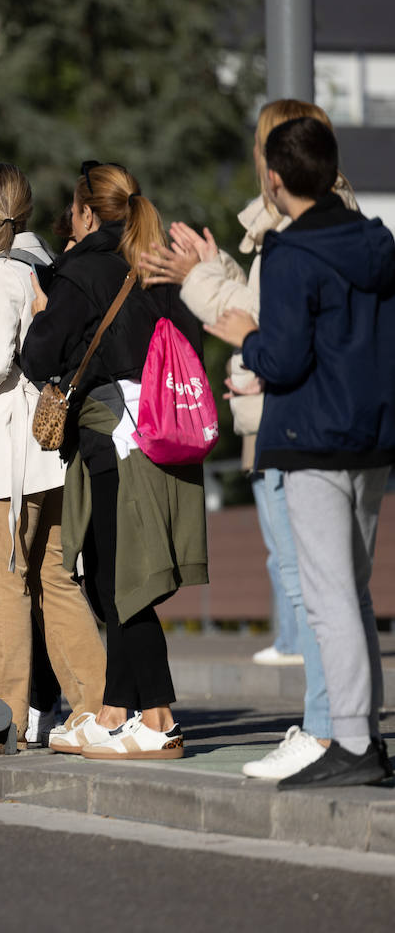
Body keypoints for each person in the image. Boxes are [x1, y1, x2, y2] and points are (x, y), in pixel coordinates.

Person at [140, 99, 359, 780]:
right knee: (322, 586)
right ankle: (333, 730)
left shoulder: (299, 234)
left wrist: (201, 283)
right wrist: (220, 273)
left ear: (275, 165)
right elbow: (268, 313)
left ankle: (330, 732)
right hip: (311, 421)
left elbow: (271, 332)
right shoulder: (333, 229)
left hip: (300, 422)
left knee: (319, 591)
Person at [209, 117, 395, 788]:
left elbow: (283, 360)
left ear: (276, 179)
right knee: (353, 591)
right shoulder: (378, 242)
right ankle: (362, 737)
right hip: (372, 438)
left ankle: (352, 743)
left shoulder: (289, 254)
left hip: (309, 438)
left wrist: (246, 336)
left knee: (330, 596)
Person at [22, 161, 207, 760]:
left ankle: (157, 717)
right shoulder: (155, 265)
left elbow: (37, 355)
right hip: (157, 430)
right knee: (114, 575)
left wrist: (39, 308)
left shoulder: (83, 272)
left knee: (124, 580)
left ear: (84, 213)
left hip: (113, 438)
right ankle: (115, 712)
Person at [0, 163, 105, 745]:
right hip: (51, 443)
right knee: (56, 580)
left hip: (6, 451)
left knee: (3, 586)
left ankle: (1, 718)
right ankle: (95, 706)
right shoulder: (47, 263)